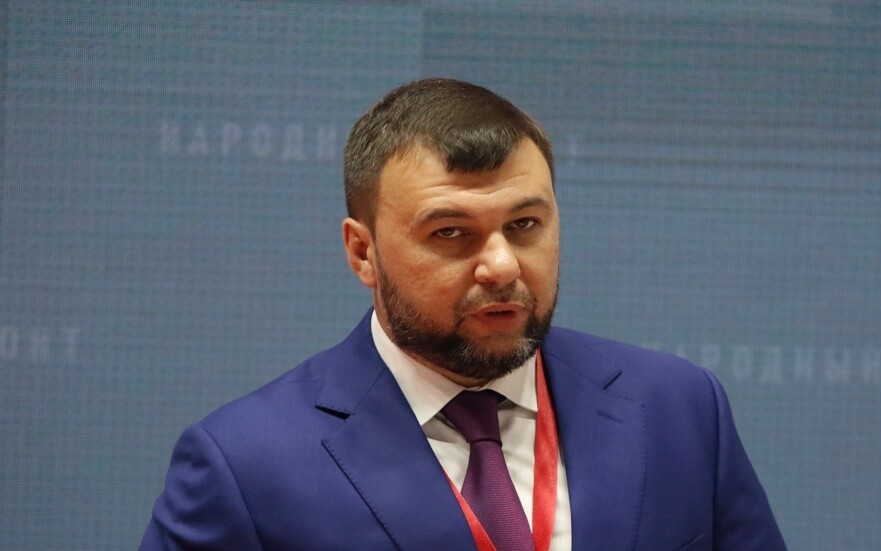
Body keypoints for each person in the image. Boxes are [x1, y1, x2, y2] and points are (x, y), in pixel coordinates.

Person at [140, 78, 786, 550]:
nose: (501, 265)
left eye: (525, 224)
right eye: (450, 233)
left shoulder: (678, 408)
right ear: (363, 252)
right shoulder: (246, 464)